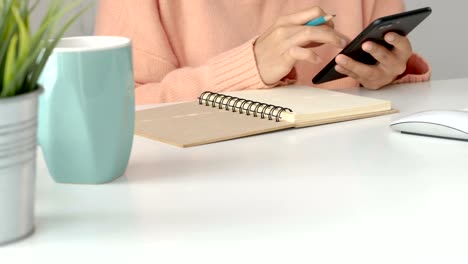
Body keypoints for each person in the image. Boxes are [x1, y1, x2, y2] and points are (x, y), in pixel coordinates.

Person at [96, 1, 430, 105]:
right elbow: (113, 112)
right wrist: (247, 67)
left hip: (352, 186)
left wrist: (389, 74)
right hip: (205, 201)